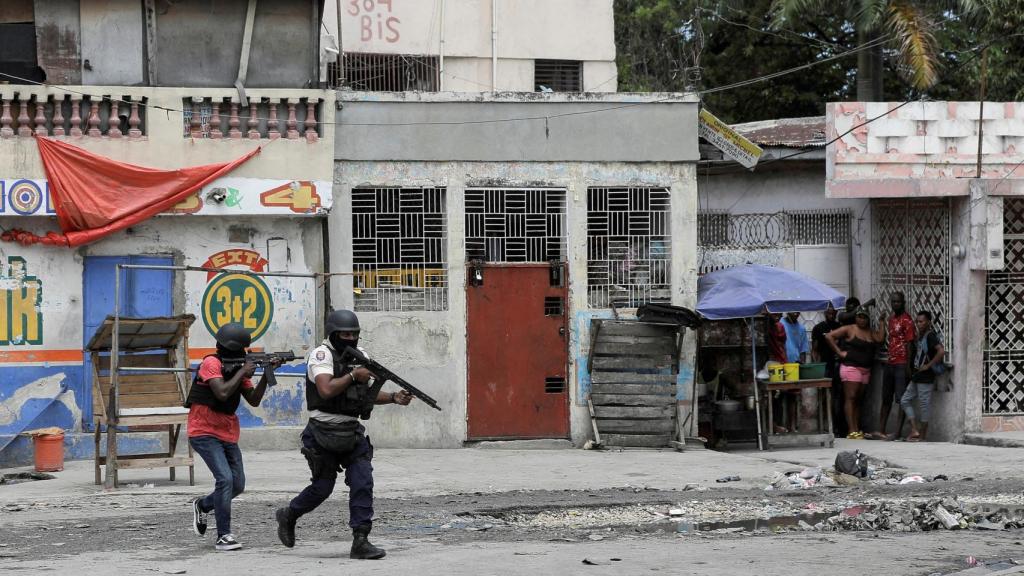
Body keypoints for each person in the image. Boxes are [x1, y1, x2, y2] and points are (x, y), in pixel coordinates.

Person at [275, 309, 413, 560]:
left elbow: (366, 394)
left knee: (363, 481)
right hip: (321, 431)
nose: (350, 338)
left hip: (351, 432)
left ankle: (361, 540)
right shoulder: (321, 355)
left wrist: (394, 397)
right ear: (333, 334)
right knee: (322, 488)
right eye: (345, 334)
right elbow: (325, 389)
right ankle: (290, 514)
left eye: (354, 334)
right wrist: (352, 375)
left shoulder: (362, 358)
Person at [187, 323, 280, 551]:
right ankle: (223, 535)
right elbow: (222, 392)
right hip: (203, 430)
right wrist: (243, 372)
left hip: (227, 431)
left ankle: (203, 505)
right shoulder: (212, 363)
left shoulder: (239, 368)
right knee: (225, 479)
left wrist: (267, 374)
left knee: (237, 484)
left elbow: (254, 399)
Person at [825, 307, 883, 440]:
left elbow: (880, 339)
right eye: (859, 317)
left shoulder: (870, 332)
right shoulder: (849, 328)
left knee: (858, 399)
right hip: (851, 367)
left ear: (868, 319)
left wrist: (881, 322)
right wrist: (839, 352)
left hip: (866, 369)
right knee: (850, 397)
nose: (861, 320)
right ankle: (851, 430)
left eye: (864, 317)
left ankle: (856, 428)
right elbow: (829, 336)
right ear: (855, 317)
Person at [875, 292, 916, 440]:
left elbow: (910, 343)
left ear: (903, 302)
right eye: (893, 302)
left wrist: (908, 365)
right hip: (890, 362)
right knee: (886, 398)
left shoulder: (907, 320)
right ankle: (881, 430)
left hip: (901, 363)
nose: (895, 304)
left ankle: (897, 432)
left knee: (901, 399)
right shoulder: (891, 319)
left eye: (898, 302)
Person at [901, 311, 945, 442]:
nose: (919, 324)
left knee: (924, 405)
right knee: (905, 400)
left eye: (922, 321)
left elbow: (941, 351)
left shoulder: (931, 335)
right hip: (917, 375)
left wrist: (928, 365)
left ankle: (922, 435)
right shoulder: (921, 336)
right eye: (918, 321)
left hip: (926, 376)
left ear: (928, 322)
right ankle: (915, 430)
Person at [812, 306, 845, 437]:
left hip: (839, 366)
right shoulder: (818, 328)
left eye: (833, 310)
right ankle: (824, 426)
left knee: (839, 397)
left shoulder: (840, 327)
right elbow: (814, 350)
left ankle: (838, 427)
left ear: (836, 312)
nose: (831, 313)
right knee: (825, 398)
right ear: (824, 312)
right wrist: (817, 367)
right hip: (825, 367)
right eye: (828, 310)